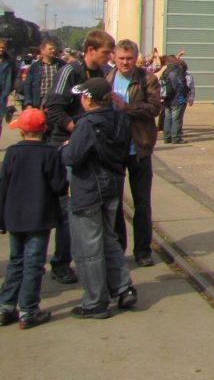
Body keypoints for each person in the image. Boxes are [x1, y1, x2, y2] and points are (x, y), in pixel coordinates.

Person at [42, 28, 115, 285]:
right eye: (106, 53)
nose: (110, 57)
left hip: (88, 148)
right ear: (91, 50)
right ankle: (61, 263)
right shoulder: (70, 72)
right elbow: (52, 108)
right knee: (67, 209)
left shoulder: (99, 74)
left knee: (86, 207)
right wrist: (77, 129)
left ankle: (83, 258)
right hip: (64, 146)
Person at [62, 77, 137, 319]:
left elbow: (73, 158)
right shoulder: (121, 119)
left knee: (89, 246)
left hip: (88, 189)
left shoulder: (86, 124)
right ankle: (123, 287)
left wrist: (65, 147)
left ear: (88, 99)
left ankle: (95, 301)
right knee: (108, 238)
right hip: (112, 185)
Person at [0, 109, 68, 329]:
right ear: (44, 129)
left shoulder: (12, 153)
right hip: (40, 215)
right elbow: (59, 186)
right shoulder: (50, 153)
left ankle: (6, 306)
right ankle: (28, 309)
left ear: (21, 131)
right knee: (33, 263)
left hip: (14, 215)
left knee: (16, 261)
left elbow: (3, 186)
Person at [106, 39, 162, 266]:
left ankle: (143, 250)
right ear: (114, 58)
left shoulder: (148, 79)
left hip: (139, 147)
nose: (125, 63)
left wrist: (126, 107)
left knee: (142, 203)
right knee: (115, 203)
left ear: (136, 58)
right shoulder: (107, 79)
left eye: (129, 59)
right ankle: (118, 247)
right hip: (114, 149)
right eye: (121, 58)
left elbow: (155, 108)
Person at [23, 37, 66, 110]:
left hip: (56, 101)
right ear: (42, 51)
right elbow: (28, 85)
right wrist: (28, 103)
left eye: (54, 49)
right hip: (39, 102)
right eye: (50, 49)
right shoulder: (34, 67)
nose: (53, 50)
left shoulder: (61, 64)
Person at [162, 57, 188, 144]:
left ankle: (166, 137)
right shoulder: (178, 71)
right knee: (176, 119)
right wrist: (185, 94)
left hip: (167, 98)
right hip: (177, 99)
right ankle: (176, 138)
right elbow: (182, 85)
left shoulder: (165, 71)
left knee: (167, 118)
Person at [0, 39, 16, 127]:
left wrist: (6, 93)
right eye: (0, 47)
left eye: (3, 47)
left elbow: (10, 79)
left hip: (2, 95)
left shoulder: (8, 62)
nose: (1, 49)